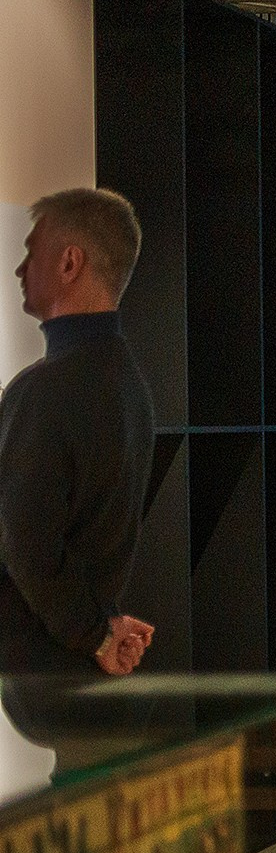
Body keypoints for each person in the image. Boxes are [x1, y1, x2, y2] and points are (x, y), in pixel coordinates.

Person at [0, 189, 156, 676]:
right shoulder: (129, 380)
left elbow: (27, 542)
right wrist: (98, 628)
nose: (21, 269)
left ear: (69, 262)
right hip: (75, 653)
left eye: (31, 252)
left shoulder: (46, 389)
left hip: (39, 660)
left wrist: (95, 635)